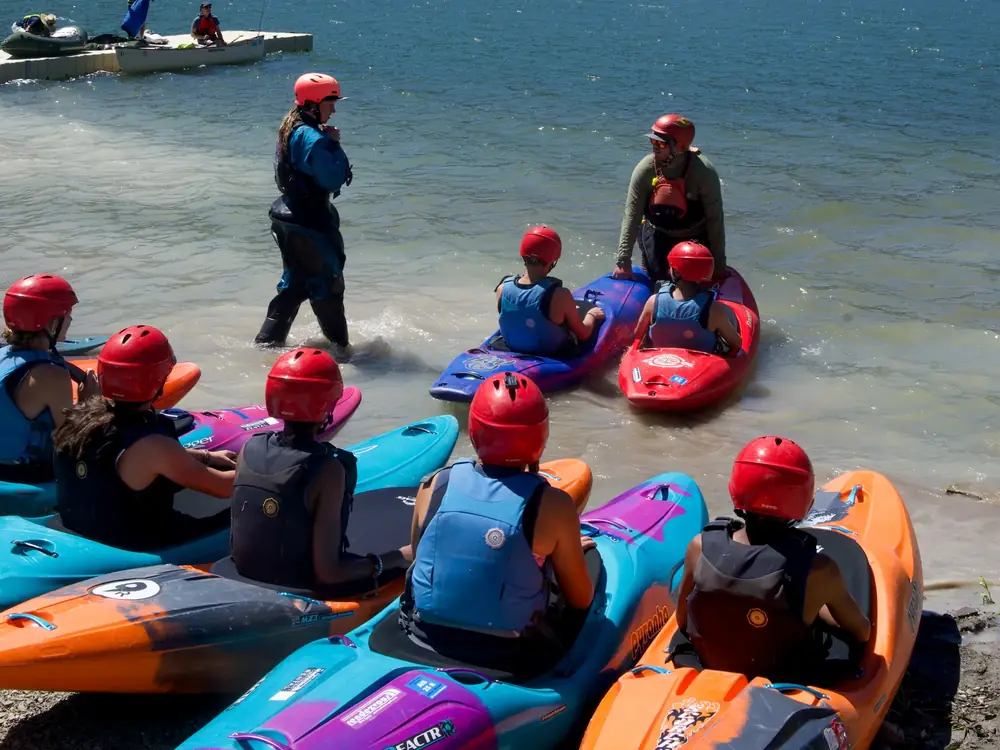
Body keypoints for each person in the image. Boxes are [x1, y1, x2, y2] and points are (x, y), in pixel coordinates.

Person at [398, 372, 596, 675]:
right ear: (540, 437)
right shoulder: (554, 505)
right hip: (507, 654)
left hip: (424, 635)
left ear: (475, 431)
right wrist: (560, 557)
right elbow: (581, 600)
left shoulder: (436, 484)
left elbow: (419, 552)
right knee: (594, 566)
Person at [672, 436, 872, 683]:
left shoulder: (699, 546)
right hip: (783, 677)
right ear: (806, 501)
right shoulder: (818, 570)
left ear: (736, 489)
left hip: (709, 663)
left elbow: (682, 618)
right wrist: (818, 608)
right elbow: (861, 632)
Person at [227, 347, 410, 591]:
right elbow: (329, 574)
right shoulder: (327, 469)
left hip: (241, 570)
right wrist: (394, 559)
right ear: (328, 403)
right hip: (296, 586)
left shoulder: (249, 448)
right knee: (403, 556)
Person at [53, 325, 235, 551]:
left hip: (83, 529)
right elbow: (223, 487)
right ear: (158, 381)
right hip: (134, 545)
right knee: (242, 516)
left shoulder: (80, 416)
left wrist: (207, 456)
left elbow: (119, 458)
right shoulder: (153, 444)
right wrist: (259, 466)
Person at [254, 73, 354, 357]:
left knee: (295, 284)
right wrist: (333, 143)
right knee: (328, 283)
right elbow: (332, 178)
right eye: (331, 102)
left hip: (289, 215)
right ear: (315, 103)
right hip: (310, 221)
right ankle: (343, 354)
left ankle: (264, 347)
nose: (334, 109)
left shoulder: (291, 125)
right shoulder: (314, 138)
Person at [0, 274, 99, 484]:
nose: (70, 320)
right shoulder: (52, 376)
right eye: (68, 314)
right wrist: (89, 403)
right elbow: (70, 443)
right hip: (23, 475)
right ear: (52, 323)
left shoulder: (4, 356)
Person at [613, 114, 727, 284]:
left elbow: (715, 220)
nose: (654, 148)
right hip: (657, 235)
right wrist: (623, 260)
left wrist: (718, 264)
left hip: (694, 239)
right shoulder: (646, 169)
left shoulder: (703, 172)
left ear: (680, 147)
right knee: (659, 283)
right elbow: (632, 214)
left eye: (660, 143)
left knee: (693, 286)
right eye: (652, 141)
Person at [495, 226, 606, 356]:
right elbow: (583, 334)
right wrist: (591, 315)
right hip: (548, 355)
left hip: (511, 349)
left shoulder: (502, 288)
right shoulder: (559, 295)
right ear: (553, 259)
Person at [633, 241, 741, 354]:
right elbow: (736, 343)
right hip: (700, 365)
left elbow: (638, 334)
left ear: (674, 272)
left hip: (660, 360)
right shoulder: (713, 309)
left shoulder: (653, 301)